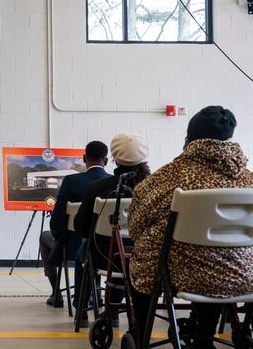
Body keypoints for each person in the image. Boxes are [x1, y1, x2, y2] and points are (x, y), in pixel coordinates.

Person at [128, 106, 253, 348]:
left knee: (145, 257)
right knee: (218, 259)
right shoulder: (249, 180)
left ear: (188, 139)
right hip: (244, 278)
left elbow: (135, 228)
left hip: (185, 276)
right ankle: (205, 337)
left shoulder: (166, 179)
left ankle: (141, 333)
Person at [73, 133, 151, 327]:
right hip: (143, 256)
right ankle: (114, 310)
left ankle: (82, 311)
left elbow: (80, 227)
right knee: (127, 252)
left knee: (87, 252)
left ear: (114, 159)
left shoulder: (97, 187)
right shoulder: (151, 188)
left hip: (102, 256)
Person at [39, 141, 111, 307]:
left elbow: (57, 220)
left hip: (75, 247)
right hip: (107, 249)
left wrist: (59, 237)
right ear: (106, 161)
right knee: (96, 236)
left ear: (84, 158)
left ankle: (56, 294)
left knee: (44, 237)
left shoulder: (71, 181)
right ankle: (96, 293)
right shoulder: (114, 182)